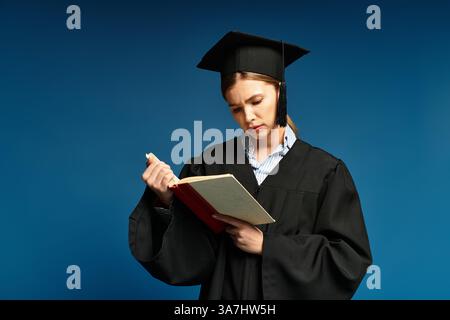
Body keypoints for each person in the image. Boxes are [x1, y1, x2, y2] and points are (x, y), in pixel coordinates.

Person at [128, 31, 372, 299]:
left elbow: (347, 261)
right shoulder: (210, 165)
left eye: (256, 101)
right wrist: (166, 200)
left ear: (279, 91)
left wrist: (268, 246)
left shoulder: (325, 172)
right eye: (235, 108)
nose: (248, 117)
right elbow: (192, 261)